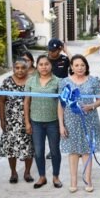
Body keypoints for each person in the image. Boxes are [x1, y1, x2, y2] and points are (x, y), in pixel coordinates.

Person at [58, 55, 100, 193]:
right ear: (71, 67)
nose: (79, 68)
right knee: (73, 151)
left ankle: (88, 180)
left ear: (86, 66)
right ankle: (73, 181)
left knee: (86, 150)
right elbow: (60, 105)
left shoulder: (93, 81)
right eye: (76, 65)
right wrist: (61, 125)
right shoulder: (64, 82)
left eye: (82, 65)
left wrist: (91, 106)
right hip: (70, 121)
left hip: (89, 120)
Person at [24, 55, 62, 189]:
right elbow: (26, 102)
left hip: (53, 122)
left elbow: (61, 104)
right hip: (36, 122)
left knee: (54, 151)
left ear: (51, 65)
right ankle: (42, 177)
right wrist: (27, 122)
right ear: (37, 66)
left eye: (46, 64)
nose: (44, 67)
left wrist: (62, 125)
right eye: (41, 64)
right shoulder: (30, 81)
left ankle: (56, 177)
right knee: (39, 151)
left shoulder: (58, 82)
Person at [0, 58, 34, 184]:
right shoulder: (7, 82)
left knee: (28, 147)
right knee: (11, 147)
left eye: (23, 68)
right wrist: (2, 120)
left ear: (27, 68)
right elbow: (1, 101)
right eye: (17, 68)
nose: (20, 70)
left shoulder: (31, 81)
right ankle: (13, 172)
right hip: (11, 120)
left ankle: (27, 172)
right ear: (13, 69)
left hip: (28, 120)